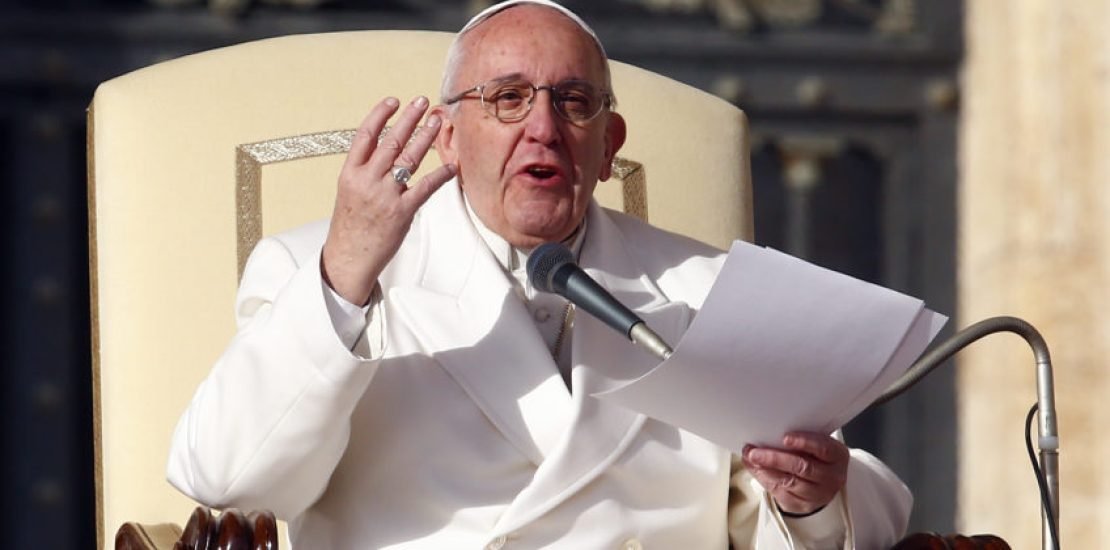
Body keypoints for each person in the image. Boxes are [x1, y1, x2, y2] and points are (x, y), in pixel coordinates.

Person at [167, 1, 912, 548]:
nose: (543, 127)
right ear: (450, 138)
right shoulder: (321, 273)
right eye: (509, 97)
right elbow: (226, 479)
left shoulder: (701, 289)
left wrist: (814, 501)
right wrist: (345, 278)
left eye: (574, 102)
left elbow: (862, 508)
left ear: (607, 144)